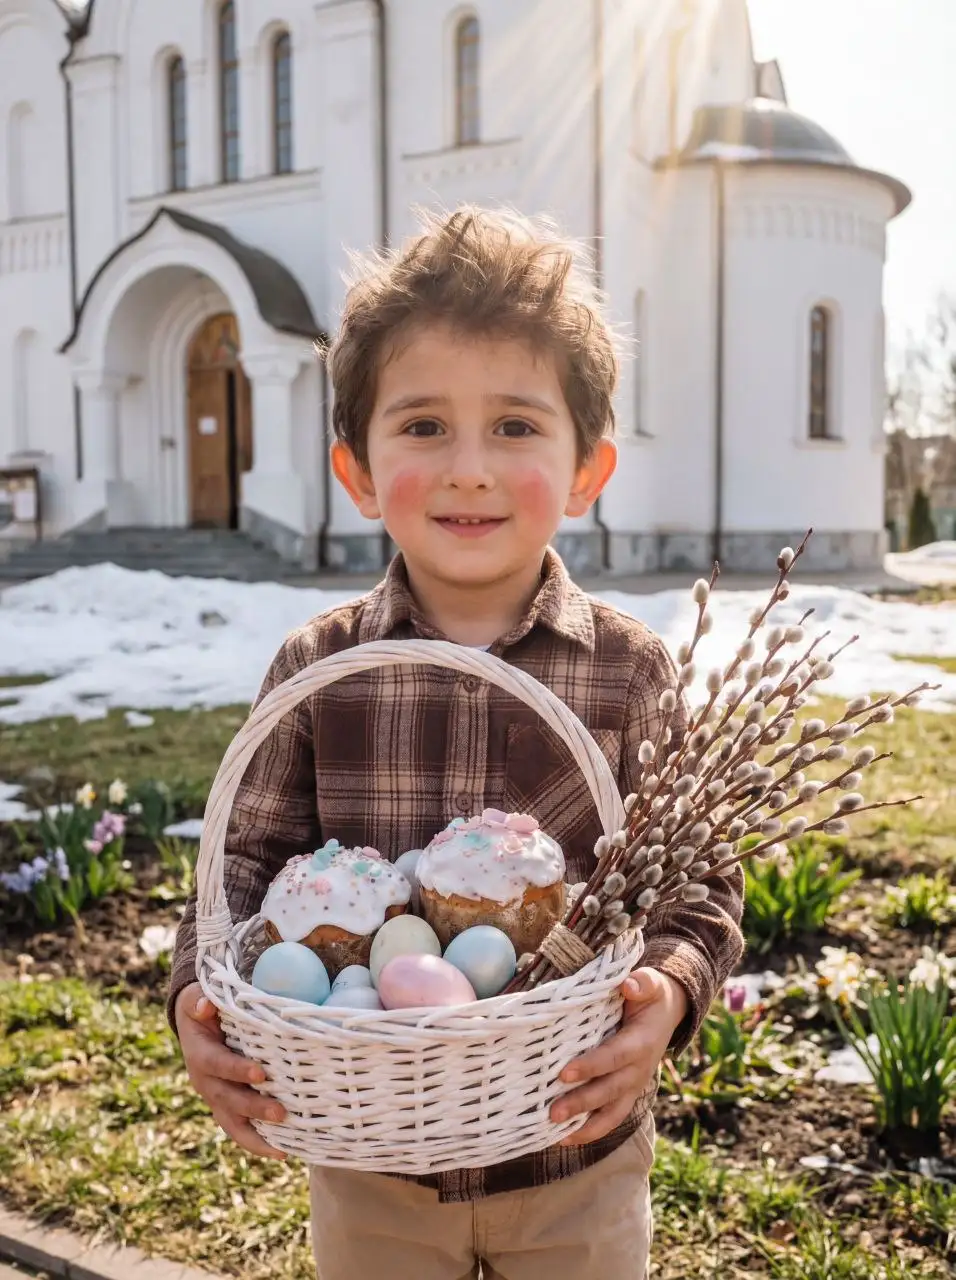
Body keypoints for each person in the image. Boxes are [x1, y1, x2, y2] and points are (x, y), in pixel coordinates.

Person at [168, 206, 744, 1280]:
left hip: (573, 1147)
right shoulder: (318, 667)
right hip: (368, 1161)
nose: (468, 467)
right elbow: (235, 870)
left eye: (516, 427)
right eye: (423, 425)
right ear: (355, 469)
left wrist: (664, 992)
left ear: (586, 470)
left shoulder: (626, 672)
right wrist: (199, 1004)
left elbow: (699, 881)